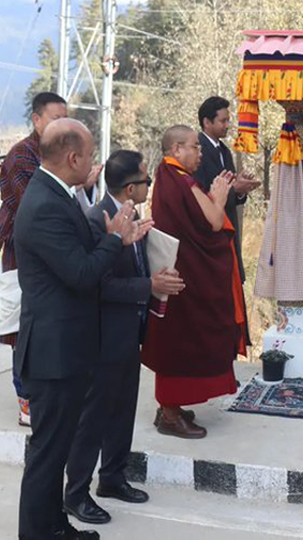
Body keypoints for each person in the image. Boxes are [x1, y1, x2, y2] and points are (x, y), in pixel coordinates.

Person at [15, 118, 149, 540]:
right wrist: (114, 241)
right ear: (72, 158)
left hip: (68, 347)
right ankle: (37, 533)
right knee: (47, 454)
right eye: (90, 155)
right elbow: (79, 273)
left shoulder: (61, 194)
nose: (93, 163)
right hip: (53, 352)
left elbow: (77, 258)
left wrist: (115, 239)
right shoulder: (45, 204)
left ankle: (55, 525)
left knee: (55, 454)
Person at [63, 151, 185, 525]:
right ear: (131, 187)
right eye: (146, 180)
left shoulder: (130, 217)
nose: (150, 185)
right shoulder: (96, 221)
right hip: (101, 335)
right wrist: (150, 284)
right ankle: (75, 494)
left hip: (128, 332)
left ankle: (112, 478)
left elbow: (129, 264)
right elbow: (98, 284)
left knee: (122, 412)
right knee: (93, 418)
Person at [141, 125, 247, 439]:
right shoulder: (180, 181)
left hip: (183, 269)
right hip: (185, 276)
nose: (200, 153)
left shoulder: (169, 177)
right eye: (195, 147)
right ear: (176, 149)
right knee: (182, 339)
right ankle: (170, 414)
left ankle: (170, 408)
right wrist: (219, 195)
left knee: (180, 337)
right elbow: (214, 221)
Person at [0, 92, 97, 427]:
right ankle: (26, 399)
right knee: (24, 329)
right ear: (37, 120)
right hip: (24, 252)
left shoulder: (56, 162)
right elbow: (36, 206)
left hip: (54, 249)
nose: (60, 124)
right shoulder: (21, 157)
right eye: (54, 119)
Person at [194, 96, 261, 283]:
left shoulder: (224, 150)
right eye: (222, 121)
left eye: (228, 121)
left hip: (229, 226)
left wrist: (240, 189)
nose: (227, 125)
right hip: (211, 232)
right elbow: (201, 193)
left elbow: (229, 188)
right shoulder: (198, 151)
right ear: (207, 122)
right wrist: (234, 189)